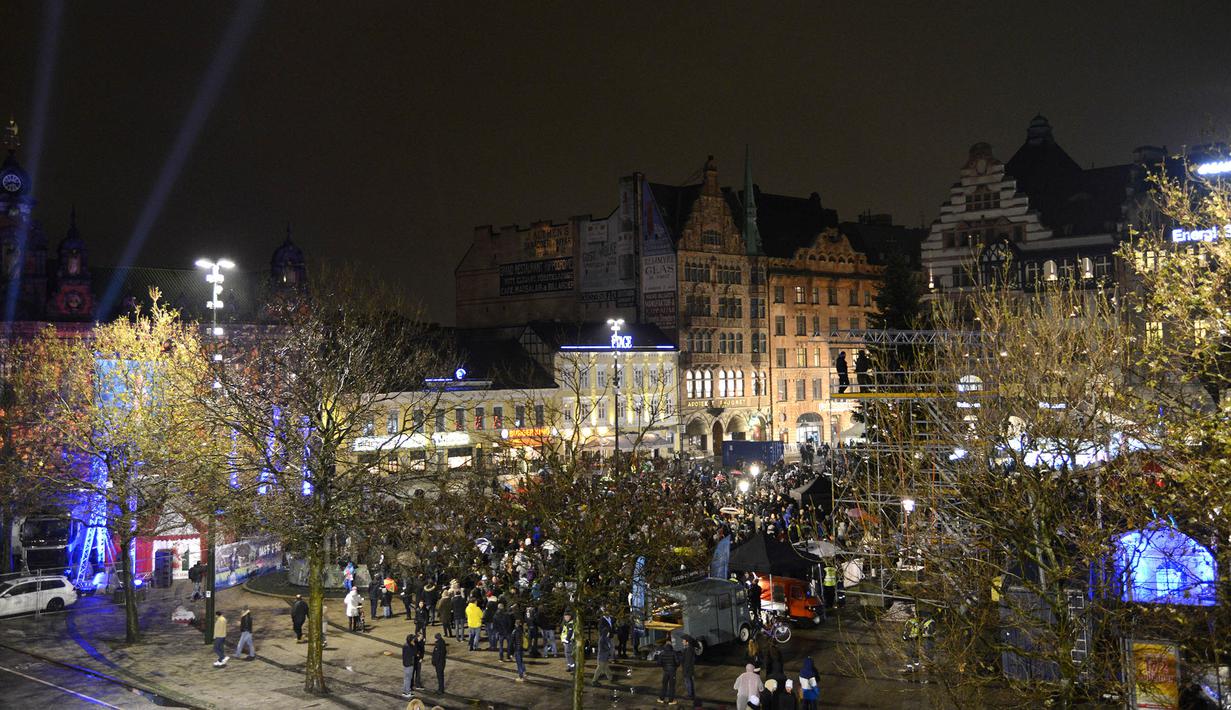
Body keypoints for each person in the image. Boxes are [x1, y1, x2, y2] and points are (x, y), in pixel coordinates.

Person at [656, 639, 678, 704]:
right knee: (672, 686)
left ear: (665, 645)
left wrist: (664, 666)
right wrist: (674, 667)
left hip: (665, 671)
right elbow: (678, 662)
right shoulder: (674, 652)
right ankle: (671, 701)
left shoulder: (662, 653)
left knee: (664, 685)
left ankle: (661, 699)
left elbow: (659, 663)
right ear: (671, 645)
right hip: (672, 672)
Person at [680, 636, 697, 704]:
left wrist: (685, 670)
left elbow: (687, 661)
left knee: (688, 682)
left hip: (687, 669)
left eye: (683, 641)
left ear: (687, 642)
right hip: (688, 669)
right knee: (689, 681)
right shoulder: (688, 648)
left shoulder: (689, 649)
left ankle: (690, 695)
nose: (682, 642)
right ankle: (691, 694)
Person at [401, 633, 416, 698]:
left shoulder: (405, 645)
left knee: (406, 678)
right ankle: (407, 692)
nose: (414, 640)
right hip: (409, 664)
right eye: (413, 639)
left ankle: (405, 691)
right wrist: (414, 646)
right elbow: (415, 653)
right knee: (408, 678)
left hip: (405, 664)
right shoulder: (410, 647)